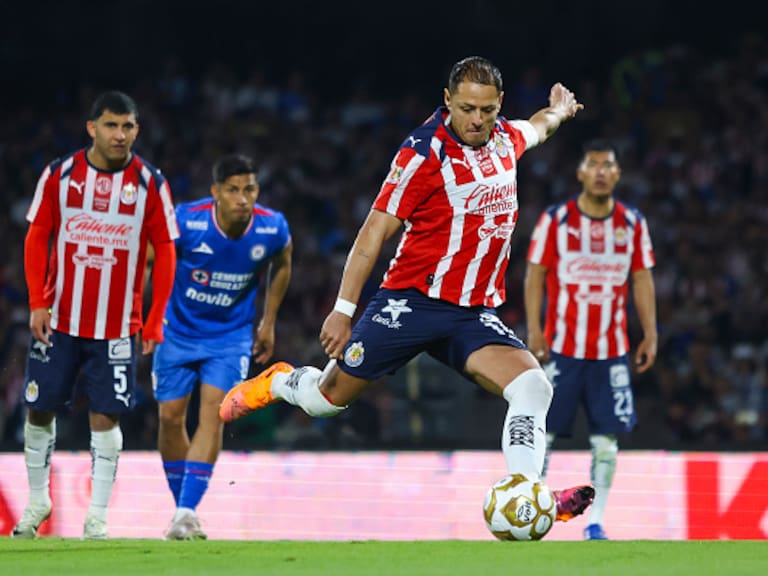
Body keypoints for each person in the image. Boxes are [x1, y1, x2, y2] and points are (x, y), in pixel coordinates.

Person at [220, 56, 595, 526]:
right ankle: (278, 381)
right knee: (324, 401)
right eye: (465, 109)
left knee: (534, 387)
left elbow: (538, 127)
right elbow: (373, 232)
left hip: (470, 311)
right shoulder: (422, 153)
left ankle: (530, 493)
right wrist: (342, 310)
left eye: (485, 110)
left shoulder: (505, 138)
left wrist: (559, 109)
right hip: (410, 302)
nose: (476, 120)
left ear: (499, 104)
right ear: (447, 101)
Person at [12, 91, 179, 539]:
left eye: (127, 126)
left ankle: (97, 517)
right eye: (110, 125)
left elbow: (165, 251)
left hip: (118, 326)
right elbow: (38, 236)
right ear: (92, 128)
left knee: (106, 415)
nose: (119, 135)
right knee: (39, 409)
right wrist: (36, 303)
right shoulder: (61, 175)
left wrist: (156, 316)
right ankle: (37, 501)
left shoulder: (150, 183)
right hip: (59, 319)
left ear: (137, 130)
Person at [152, 154, 292, 540]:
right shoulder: (186, 220)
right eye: (233, 190)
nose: (242, 198)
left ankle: (185, 511)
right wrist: (150, 315)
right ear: (215, 193)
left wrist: (268, 321)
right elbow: (153, 260)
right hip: (177, 332)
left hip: (230, 338)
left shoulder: (272, 227)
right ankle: (183, 505)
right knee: (169, 419)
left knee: (212, 415)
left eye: (249, 189)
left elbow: (283, 263)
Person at [524, 139, 657, 540]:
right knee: (543, 434)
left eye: (608, 165)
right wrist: (534, 329)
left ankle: (595, 521)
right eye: (593, 164)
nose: (600, 172)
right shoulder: (556, 220)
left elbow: (641, 278)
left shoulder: (632, 223)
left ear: (617, 173)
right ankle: (535, 513)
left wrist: (651, 333)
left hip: (611, 353)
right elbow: (534, 274)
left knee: (606, 439)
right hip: (562, 349)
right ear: (580, 172)